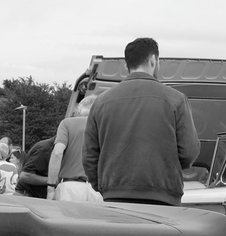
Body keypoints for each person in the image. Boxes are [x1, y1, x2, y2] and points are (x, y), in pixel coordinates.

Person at [84, 37, 199, 205]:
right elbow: (189, 152)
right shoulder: (176, 99)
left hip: (114, 196)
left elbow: (89, 156)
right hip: (163, 197)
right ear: (153, 60)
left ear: (126, 65)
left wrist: (103, 185)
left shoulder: (101, 102)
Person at [46, 95, 102, 202]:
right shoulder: (104, 125)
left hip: (69, 188)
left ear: (80, 109)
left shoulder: (67, 123)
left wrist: (51, 187)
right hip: (97, 189)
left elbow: (57, 153)